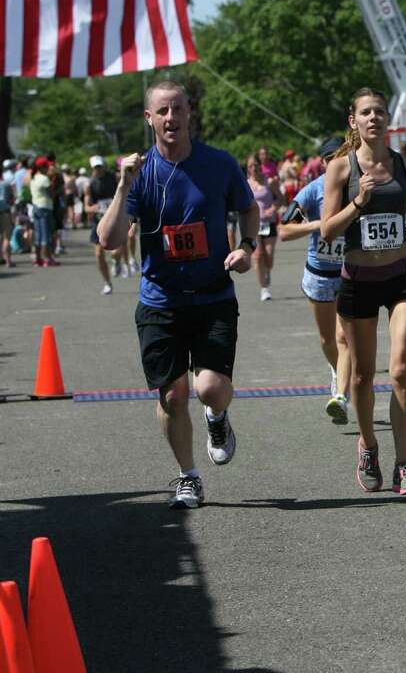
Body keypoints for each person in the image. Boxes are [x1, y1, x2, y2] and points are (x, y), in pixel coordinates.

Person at [97, 80, 258, 509]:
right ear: (149, 118)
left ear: (189, 114)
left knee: (210, 388)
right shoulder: (141, 173)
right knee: (171, 395)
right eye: (162, 111)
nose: (172, 118)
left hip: (212, 296)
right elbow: (110, 239)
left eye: (178, 110)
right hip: (160, 301)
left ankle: (218, 418)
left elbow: (249, 208)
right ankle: (188, 476)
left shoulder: (218, 164)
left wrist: (247, 246)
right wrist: (122, 185)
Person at [321, 87, 406, 495]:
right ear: (353, 121)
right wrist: (359, 202)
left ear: (388, 120)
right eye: (366, 113)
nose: (374, 118)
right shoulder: (340, 168)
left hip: (402, 274)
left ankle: (403, 463)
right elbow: (327, 229)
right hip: (359, 281)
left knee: (401, 368)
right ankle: (368, 444)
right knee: (365, 375)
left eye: (380, 112)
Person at [280, 137, 352, 424]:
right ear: (322, 162)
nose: (336, 161)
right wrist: (318, 225)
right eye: (330, 157)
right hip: (320, 275)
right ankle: (336, 371)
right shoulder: (312, 190)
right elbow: (284, 230)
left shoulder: (356, 185)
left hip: (349, 274)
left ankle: (342, 395)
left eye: (341, 155)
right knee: (327, 339)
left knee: (343, 337)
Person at [246, 154, 283, 301]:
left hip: (269, 223)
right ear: (247, 168)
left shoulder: (269, 182)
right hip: (253, 224)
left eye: (255, 165)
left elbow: (281, 198)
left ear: (259, 165)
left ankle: (267, 270)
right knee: (257, 255)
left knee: (268, 256)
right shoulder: (245, 184)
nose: (253, 168)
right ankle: (264, 288)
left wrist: (273, 209)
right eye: (250, 166)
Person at [85, 155, 119, 294]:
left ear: (104, 165)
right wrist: (95, 208)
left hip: (115, 218)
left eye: (100, 166)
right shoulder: (90, 184)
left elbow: (125, 193)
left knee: (116, 251)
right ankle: (107, 283)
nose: (98, 169)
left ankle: (116, 261)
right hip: (98, 221)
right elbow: (86, 207)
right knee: (98, 254)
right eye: (95, 167)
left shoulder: (114, 178)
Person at [29, 158, 58, 267]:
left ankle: (38, 259)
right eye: (46, 167)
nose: (48, 169)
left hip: (35, 207)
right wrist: (56, 190)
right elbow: (51, 194)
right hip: (45, 207)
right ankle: (47, 259)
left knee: (38, 235)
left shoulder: (33, 178)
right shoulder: (45, 179)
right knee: (46, 235)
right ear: (42, 167)